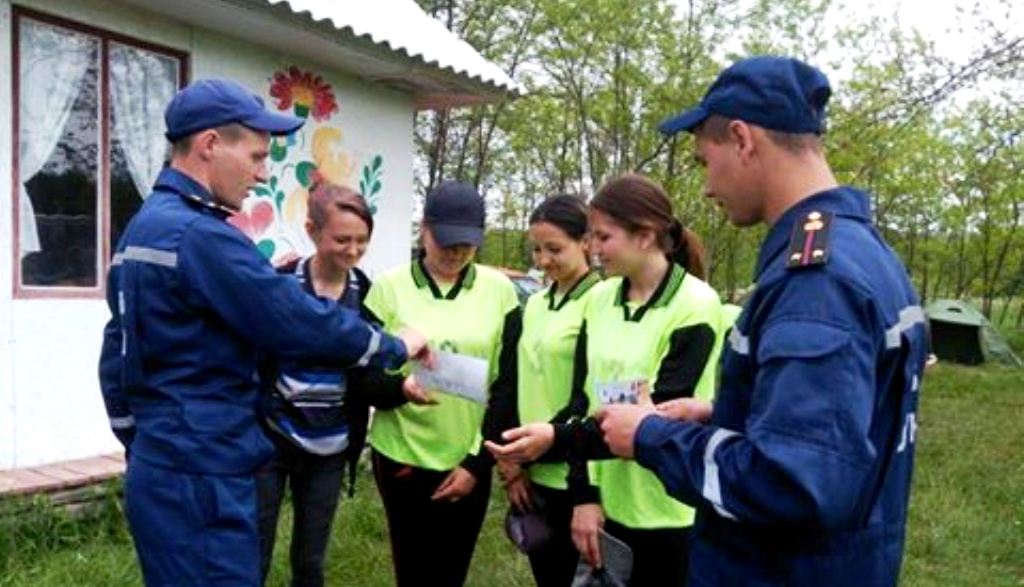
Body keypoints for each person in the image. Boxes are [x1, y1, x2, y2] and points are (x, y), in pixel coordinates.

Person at [596, 56, 929, 586]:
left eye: (705, 161)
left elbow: (793, 481)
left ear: (742, 138)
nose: (706, 186)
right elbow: (845, 425)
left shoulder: (817, 280)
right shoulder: (866, 252)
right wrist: (727, 412)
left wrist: (651, 435)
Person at [97, 78, 430, 587]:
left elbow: (114, 353)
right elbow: (294, 321)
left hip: (162, 468)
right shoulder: (202, 237)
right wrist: (391, 345)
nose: (262, 172)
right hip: (204, 472)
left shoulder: (143, 227)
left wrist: (141, 442)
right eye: (255, 156)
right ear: (210, 144)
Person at [490, 174, 725, 587]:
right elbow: (585, 400)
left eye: (603, 237)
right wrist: (585, 494)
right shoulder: (600, 300)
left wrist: (554, 438)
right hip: (610, 505)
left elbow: (656, 419)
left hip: (669, 508)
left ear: (645, 236)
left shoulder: (696, 304)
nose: (594, 250)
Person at [256, 182, 435, 587]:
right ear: (312, 230)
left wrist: (400, 390)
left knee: (310, 559)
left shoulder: (365, 294)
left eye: (362, 241)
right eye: (341, 239)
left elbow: (367, 377)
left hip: (331, 447)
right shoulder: (278, 281)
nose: (352, 251)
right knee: (254, 550)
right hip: (271, 439)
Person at [365, 180, 522, 587]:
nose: (456, 253)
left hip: (468, 455)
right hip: (403, 453)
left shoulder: (500, 291)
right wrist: (400, 390)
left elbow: (508, 383)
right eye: (447, 242)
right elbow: (364, 379)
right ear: (424, 230)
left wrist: (477, 462)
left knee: (452, 569)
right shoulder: (388, 287)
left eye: (467, 245)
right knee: (413, 568)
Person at [502, 195, 602, 587]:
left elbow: (586, 394)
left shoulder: (601, 302)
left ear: (587, 243)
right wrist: (512, 460)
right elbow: (515, 381)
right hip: (533, 469)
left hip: (575, 468)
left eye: (554, 249)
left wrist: (539, 449)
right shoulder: (537, 303)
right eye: (537, 249)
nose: (543, 261)